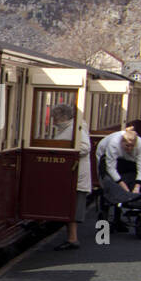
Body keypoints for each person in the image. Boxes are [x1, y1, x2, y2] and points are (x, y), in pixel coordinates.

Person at [96, 122, 141, 230]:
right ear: (122, 142)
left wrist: (137, 186)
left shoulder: (140, 144)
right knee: (109, 183)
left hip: (127, 159)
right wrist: (121, 183)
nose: (129, 148)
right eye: (127, 146)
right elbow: (110, 167)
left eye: (132, 146)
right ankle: (106, 217)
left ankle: (118, 219)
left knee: (132, 175)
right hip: (104, 154)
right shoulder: (114, 143)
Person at [53, 104, 89, 250]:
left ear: (62, 117)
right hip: (71, 173)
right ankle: (71, 238)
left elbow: (85, 147)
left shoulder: (75, 128)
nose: (53, 120)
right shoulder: (70, 128)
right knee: (70, 207)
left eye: (55, 117)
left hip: (76, 174)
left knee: (72, 208)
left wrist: (66, 153)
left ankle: (72, 239)